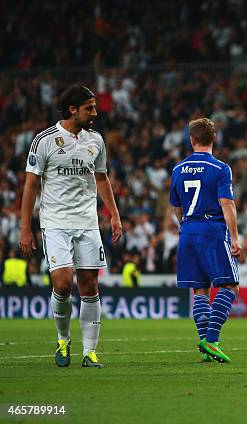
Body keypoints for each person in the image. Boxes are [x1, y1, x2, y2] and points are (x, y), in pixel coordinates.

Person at [20, 85, 123, 368]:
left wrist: (113, 214)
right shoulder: (45, 140)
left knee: (89, 286)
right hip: (55, 223)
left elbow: (101, 178)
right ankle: (63, 340)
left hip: (88, 222)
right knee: (63, 284)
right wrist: (25, 229)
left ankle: (89, 352)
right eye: (89, 107)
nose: (95, 112)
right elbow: (30, 186)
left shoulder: (96, 141)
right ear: (72, 110)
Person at [170, 117, 241, 363]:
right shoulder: (220, 168)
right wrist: (235, 237)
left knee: (200, 290)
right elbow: (227, 203)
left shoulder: (177, 169)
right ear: (214, 139)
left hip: (187, 230)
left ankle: (206, 348)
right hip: (212, 229)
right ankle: (211, 340)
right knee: (229, 285)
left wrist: (187, 227)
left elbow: (176, 209)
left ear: (191, 140)